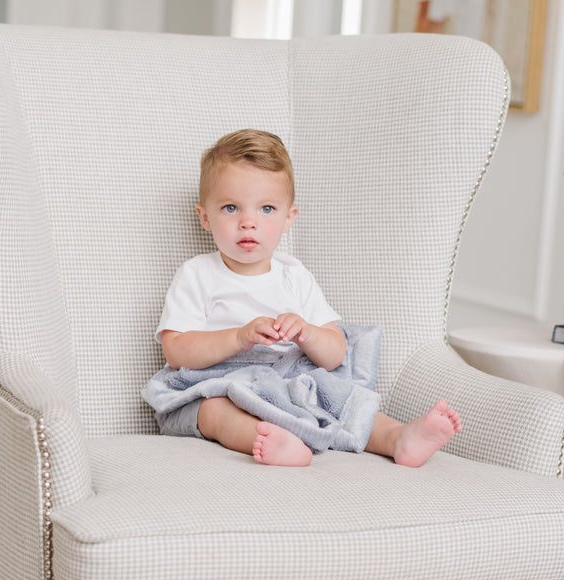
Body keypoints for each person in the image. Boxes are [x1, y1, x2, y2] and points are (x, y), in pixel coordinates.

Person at [151, 129, 461, 467]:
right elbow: (176, 349)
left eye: (267, 208)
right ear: (205, 217)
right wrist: (238, 337)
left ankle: (397, 438)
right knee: (213, 412)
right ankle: (270, 439)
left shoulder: (294, 276)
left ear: (289, 219)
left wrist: (307, 333)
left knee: (336, 397)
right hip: (215, 381)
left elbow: (336, 354)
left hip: (287, 381)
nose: (248, 223)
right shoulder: (197, 274)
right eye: (230, 208)